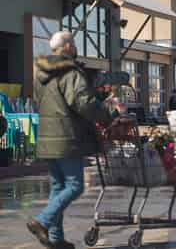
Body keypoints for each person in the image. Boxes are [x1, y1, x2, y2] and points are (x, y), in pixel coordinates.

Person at [27, 31, 117, 249]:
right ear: (67, 47)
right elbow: (82, 103)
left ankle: (56, 239)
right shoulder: (69, 71)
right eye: (73, 44)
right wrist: (109, 112)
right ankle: (42, 221)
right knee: (75, 186)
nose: (75, 47)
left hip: (47, 137)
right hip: (67, 137)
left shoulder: (40, 74)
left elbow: (42, 101)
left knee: (58, 187)